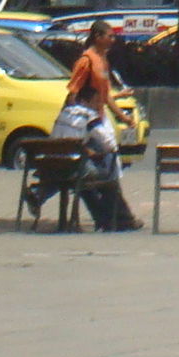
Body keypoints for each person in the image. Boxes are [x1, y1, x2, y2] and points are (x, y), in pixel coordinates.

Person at [57, 21, 136, 231]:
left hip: (98, 119)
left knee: (99, 169)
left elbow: (106, 96)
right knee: (104, 166)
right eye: (109, 36)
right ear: (97, 37)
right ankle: (120, 217)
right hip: (85, 122)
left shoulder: (103, 60)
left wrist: (122, 117)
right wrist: (72, 120)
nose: (113, 40)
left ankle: (112, 217)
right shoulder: (86, 61)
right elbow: (73, 92)